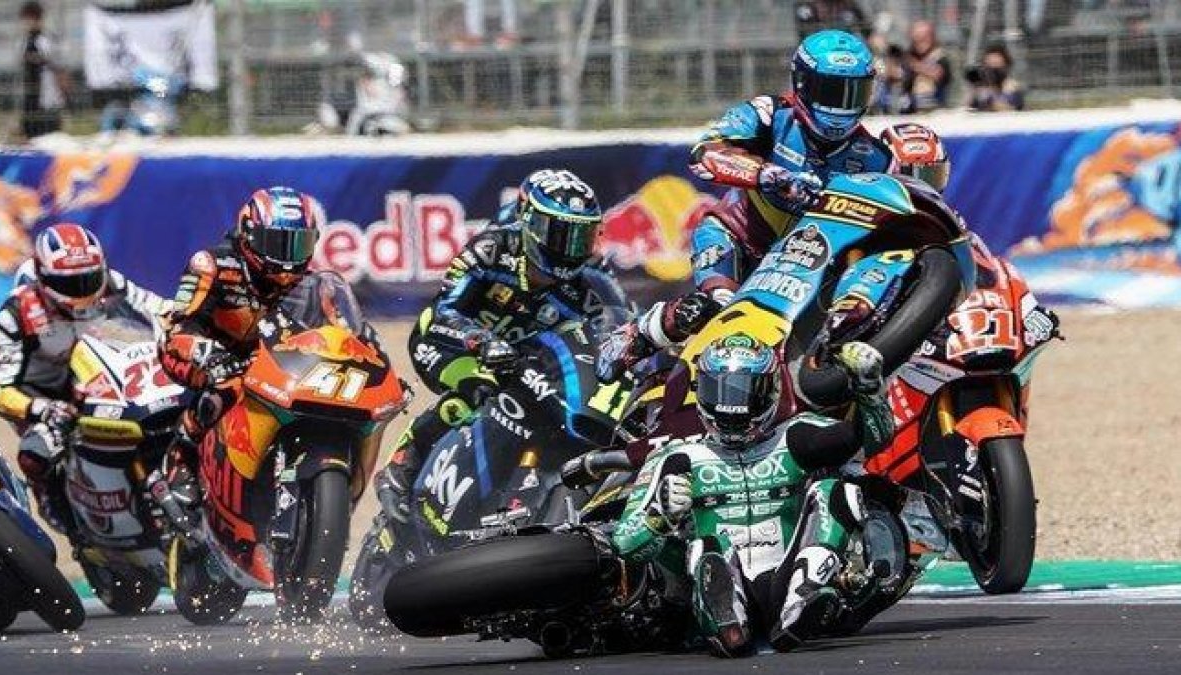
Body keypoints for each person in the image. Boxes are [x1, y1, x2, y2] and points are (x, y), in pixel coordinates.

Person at [600, 29, 892, 375]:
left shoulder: (876, 156)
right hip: (741, 240)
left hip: (812, 266)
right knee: (717, 309)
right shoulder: (769, 113)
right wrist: (762, 173)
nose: (841, 106)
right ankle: (638, 338)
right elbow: (705, 153)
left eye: (853, 93)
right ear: (802, 83)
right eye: (831, 91)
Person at [612, 334, 893, 657]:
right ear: (700, 391)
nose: (732, 408)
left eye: (745, 391)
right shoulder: (676, 458)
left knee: (839, 490)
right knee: (705, 547)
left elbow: (874, 441)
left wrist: (870, 390)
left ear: (771, 390)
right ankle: (727, 617)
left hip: (786, 577)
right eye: (719, 390)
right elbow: (625, 544)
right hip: (714, 576)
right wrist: (658, 517)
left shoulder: (797, 436)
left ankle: (804, 595)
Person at [374, 169, 629, 524]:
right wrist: (482, 341)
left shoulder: (590, 285)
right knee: (480, 388)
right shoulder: (491, 250)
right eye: (561, 234)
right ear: (532, 226)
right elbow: (444, 310)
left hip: (525, 360)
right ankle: (404, 462)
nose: (570, 250)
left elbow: (617, 329)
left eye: (581, 237)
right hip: (450, 340)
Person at [152, 186, 321, 528]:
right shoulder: (212, 265)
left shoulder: (311, 282)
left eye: (298, 244)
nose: (288, 258)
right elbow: (182, 324)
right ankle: (180, 461)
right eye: (278, 243)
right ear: (249, 234)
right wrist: (207, 354)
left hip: (269, 362)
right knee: (227, 387)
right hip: (198, 351)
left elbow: (336, 327)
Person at [0, 223, 168, 533]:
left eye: (89, 277)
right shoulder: (15, 314)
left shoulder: (113, 282)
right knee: (36, 454)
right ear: (44, 279)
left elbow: (162, 309)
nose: (83, 289)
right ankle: (58, 510)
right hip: (51, 398)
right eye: (69, 282)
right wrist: (41, 409)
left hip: (109, 378)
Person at [18, 1, 68, 140]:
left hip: (45, 92)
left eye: (29, 19)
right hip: (31, 91)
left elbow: (56, 65)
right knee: (29, 128)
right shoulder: (25, 41)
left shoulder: (43, 40)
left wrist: (62, 90)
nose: (26, 23)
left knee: (49, 131)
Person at [901, 20, 951, 113]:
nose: (920, 41)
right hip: (910, 110)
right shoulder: (908, 56)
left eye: (924, 37)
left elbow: (937, 74)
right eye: (916, 38)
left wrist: (914, 65)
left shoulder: (940, 56)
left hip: (935, 111)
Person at [965, 44, 1026, 112]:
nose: (992, 71)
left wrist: (990, 97)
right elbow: (968, 108)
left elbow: (1007, 109)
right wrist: (974, 91)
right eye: (989, 66)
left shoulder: (1011, 86)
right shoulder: (981, 88)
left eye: (996, 65)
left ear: (1005, 66)